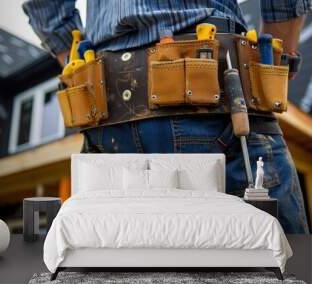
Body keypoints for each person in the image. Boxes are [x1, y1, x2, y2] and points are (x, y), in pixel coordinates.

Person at [23, 0, 311, 233]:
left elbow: (45, 6)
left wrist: (82, 70)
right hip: (218, 113)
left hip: (108, 122)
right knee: (281, 262)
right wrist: (276, 57)